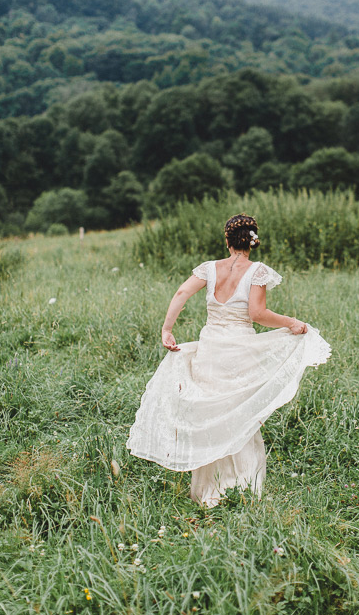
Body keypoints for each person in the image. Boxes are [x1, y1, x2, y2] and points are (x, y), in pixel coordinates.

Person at [127, 214, 331, 507]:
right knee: (239, 412)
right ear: (253, 241)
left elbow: (182, 292)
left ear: (226, 241)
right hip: (239, 349)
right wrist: (291, 322)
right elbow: (257, 314)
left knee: (213, 414)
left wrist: (167, 328)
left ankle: (209, 487)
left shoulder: (210, 269)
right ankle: (241, 487)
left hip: (211, 349)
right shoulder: (257, 271)